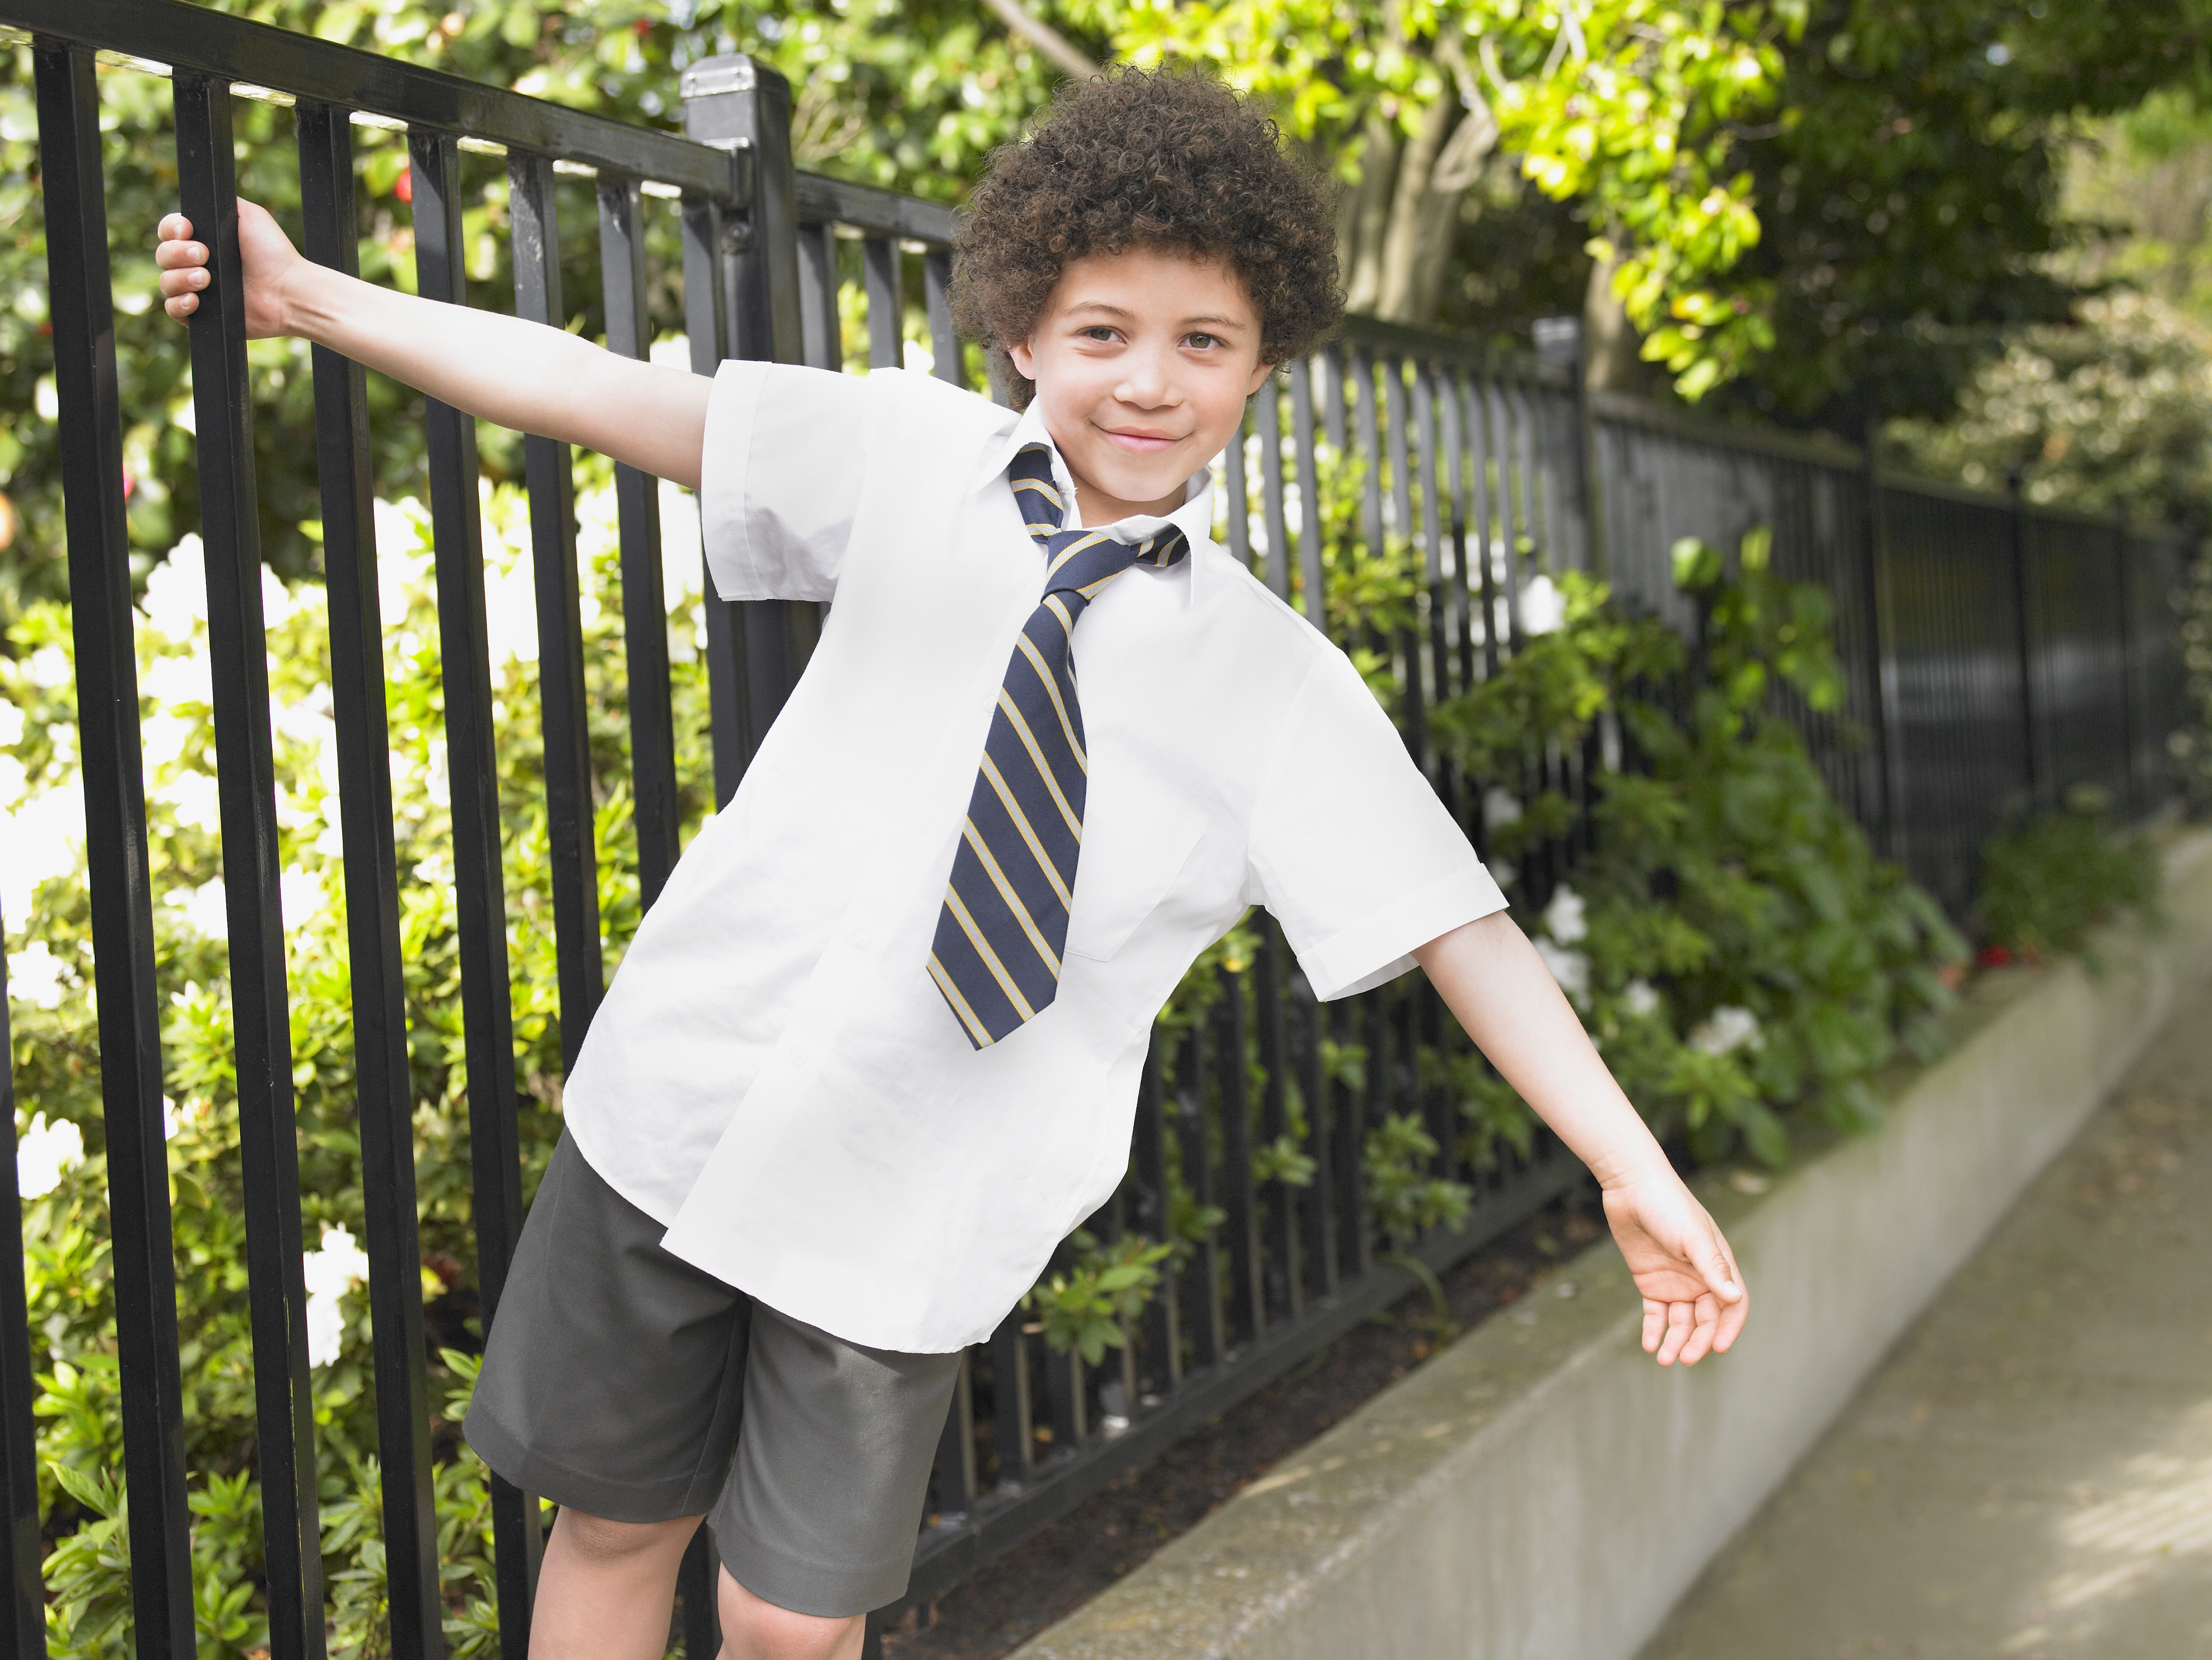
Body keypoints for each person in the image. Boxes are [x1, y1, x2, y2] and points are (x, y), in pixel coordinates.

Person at [158, 67, 1748, 1660]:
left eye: (1201, 342)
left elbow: (1456, 925)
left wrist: (1631, 1163)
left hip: (907, 1195)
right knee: (615, 1519)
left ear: (1263, 362)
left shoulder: (1274, 684)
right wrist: (312, 297)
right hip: (688, 1090)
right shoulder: (911, 456)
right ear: (1022, 335)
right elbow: (602, 389)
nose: (1147, 381)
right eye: (1101, 332)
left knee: (789, 1616)